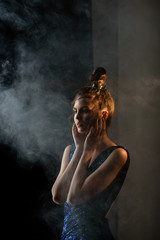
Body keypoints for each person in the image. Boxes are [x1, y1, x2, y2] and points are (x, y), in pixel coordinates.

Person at [51, 67, 130, 240]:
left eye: (85, 110)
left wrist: (86, 151)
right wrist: (79, 149)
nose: (77, 117)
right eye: (75, 111)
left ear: (103, 115)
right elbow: (58, 196)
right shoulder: (71, 150)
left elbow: (74, 198)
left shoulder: (117, 155)